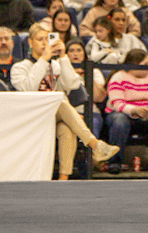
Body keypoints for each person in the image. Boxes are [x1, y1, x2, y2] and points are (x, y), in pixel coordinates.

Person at [11, 23, 119, 178]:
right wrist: (43, 60)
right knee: (59, 100)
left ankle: (63, 179)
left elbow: (72, 84)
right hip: (32, 117)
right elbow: (28, 88)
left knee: (67, 130)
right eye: (39, 39)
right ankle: (95, 144)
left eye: (46, 39)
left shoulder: (55, 65)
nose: (44, 43)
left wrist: (63, 57)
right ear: (30, 42)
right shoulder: (20, 67)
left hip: (54, 116)